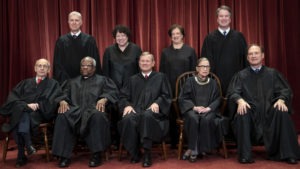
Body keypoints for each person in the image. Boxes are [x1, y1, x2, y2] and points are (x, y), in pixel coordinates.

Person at [227, 44, 300, 164]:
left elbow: (284, 90)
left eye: (256, 53)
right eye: (250, 54)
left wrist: (281, 99)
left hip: (270, 112)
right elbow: (233, 92)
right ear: (247, 58)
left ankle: (288, 154)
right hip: (251, 113)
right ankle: (245, 155)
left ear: (262, 56)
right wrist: (240, 101)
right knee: (242, 111)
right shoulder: (241, 75)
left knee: (281, 110)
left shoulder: (272, 74)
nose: (253, 56)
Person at [51, 57, 118, 168]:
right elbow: (62, 94)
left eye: (88, 65)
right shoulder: (72, 82)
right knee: (62, 116)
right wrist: (62, 100)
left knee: (98, 116)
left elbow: (112, 92)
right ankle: (64, 156)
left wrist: (104, 98)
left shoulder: (103, 80)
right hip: (75, 111)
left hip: (93, 111)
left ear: (94, 68)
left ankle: (96, 155)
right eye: (83, 65)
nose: (85, 67)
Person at [0, 59, 61, 167]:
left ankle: (21, 154)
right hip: (25, 112)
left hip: (40, 113)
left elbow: (52, 102)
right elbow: (12, 98)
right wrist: (26, 106)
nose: (42, 68)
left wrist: (37, 105)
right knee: (22, 111)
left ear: (49, 69)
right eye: (39, 65)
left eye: (45, 66)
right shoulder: (25, 83)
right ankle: (28, 145)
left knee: (19, 114)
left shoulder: (53, 84)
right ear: (35, 68)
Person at [118, 52, 172, 167]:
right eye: (142, 61)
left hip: (153, 113)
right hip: (135, 110)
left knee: (147, 116)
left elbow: (166, 96)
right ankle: (134, 152)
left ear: (153, 63)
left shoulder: (161, 77)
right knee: (128, 119)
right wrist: (127, 105)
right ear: (139, 63)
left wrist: (157, 103)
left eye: (147, 61)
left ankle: (147, 152)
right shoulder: (132, 79)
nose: (145, 63)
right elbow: (123, 96)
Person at [102, 25, 142, 149]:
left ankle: (131, 140)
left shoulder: (136, 49)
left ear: (127, 36)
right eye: (118, 36)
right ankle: (115, 140)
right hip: (113, 87)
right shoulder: (109, 50)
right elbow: (106, 71)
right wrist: (108, 87)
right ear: (114, 37)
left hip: (131, 88)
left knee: (129, 112)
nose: (120, 38)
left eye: (123, 35)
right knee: (113, 114)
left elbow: (140, 69)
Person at [178, 58, 224, 162]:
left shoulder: (213, 83)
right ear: (197, 68)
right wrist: (194, 107)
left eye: (207, 66)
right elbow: (183, 98)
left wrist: (208, 108)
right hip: (192, 109)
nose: (205, 69)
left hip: (208, 111)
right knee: (193, 118)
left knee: (206, 120)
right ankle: (194, 149)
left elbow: (218, 99)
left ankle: (193, 149)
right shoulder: (189, 81)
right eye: (203, 66)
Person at [160, 24, 197, 148]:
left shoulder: (190, 51)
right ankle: (174, 141)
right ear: (170, 36)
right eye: (173, 34)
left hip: (186, 88)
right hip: (170, 87)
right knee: (171, 113)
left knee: (187, 112)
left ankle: (188, 140)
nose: (176, 36)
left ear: (182, 36)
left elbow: (194, 72)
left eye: (178, 34)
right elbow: (162, 72)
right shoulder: (165, 52)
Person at [201, 5, 248, 96]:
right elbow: (205, 61)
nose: (224, 18)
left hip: (237, 80)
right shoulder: (209, 38)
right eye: (221, 16)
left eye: (226, 16)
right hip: (215, 81)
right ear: (217, 19)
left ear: (230, 19)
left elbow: (246, 59)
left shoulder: (239, 37)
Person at [53, 11, 102, 85]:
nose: (74, 22)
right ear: (68, 22)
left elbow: (94, 62)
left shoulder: (89, 40)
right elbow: (58, 64)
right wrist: (65, 81)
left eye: (77, 20)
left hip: (86, 82)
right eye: (72, 20)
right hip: (66, 82)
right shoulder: (61, 41)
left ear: (81, 22)